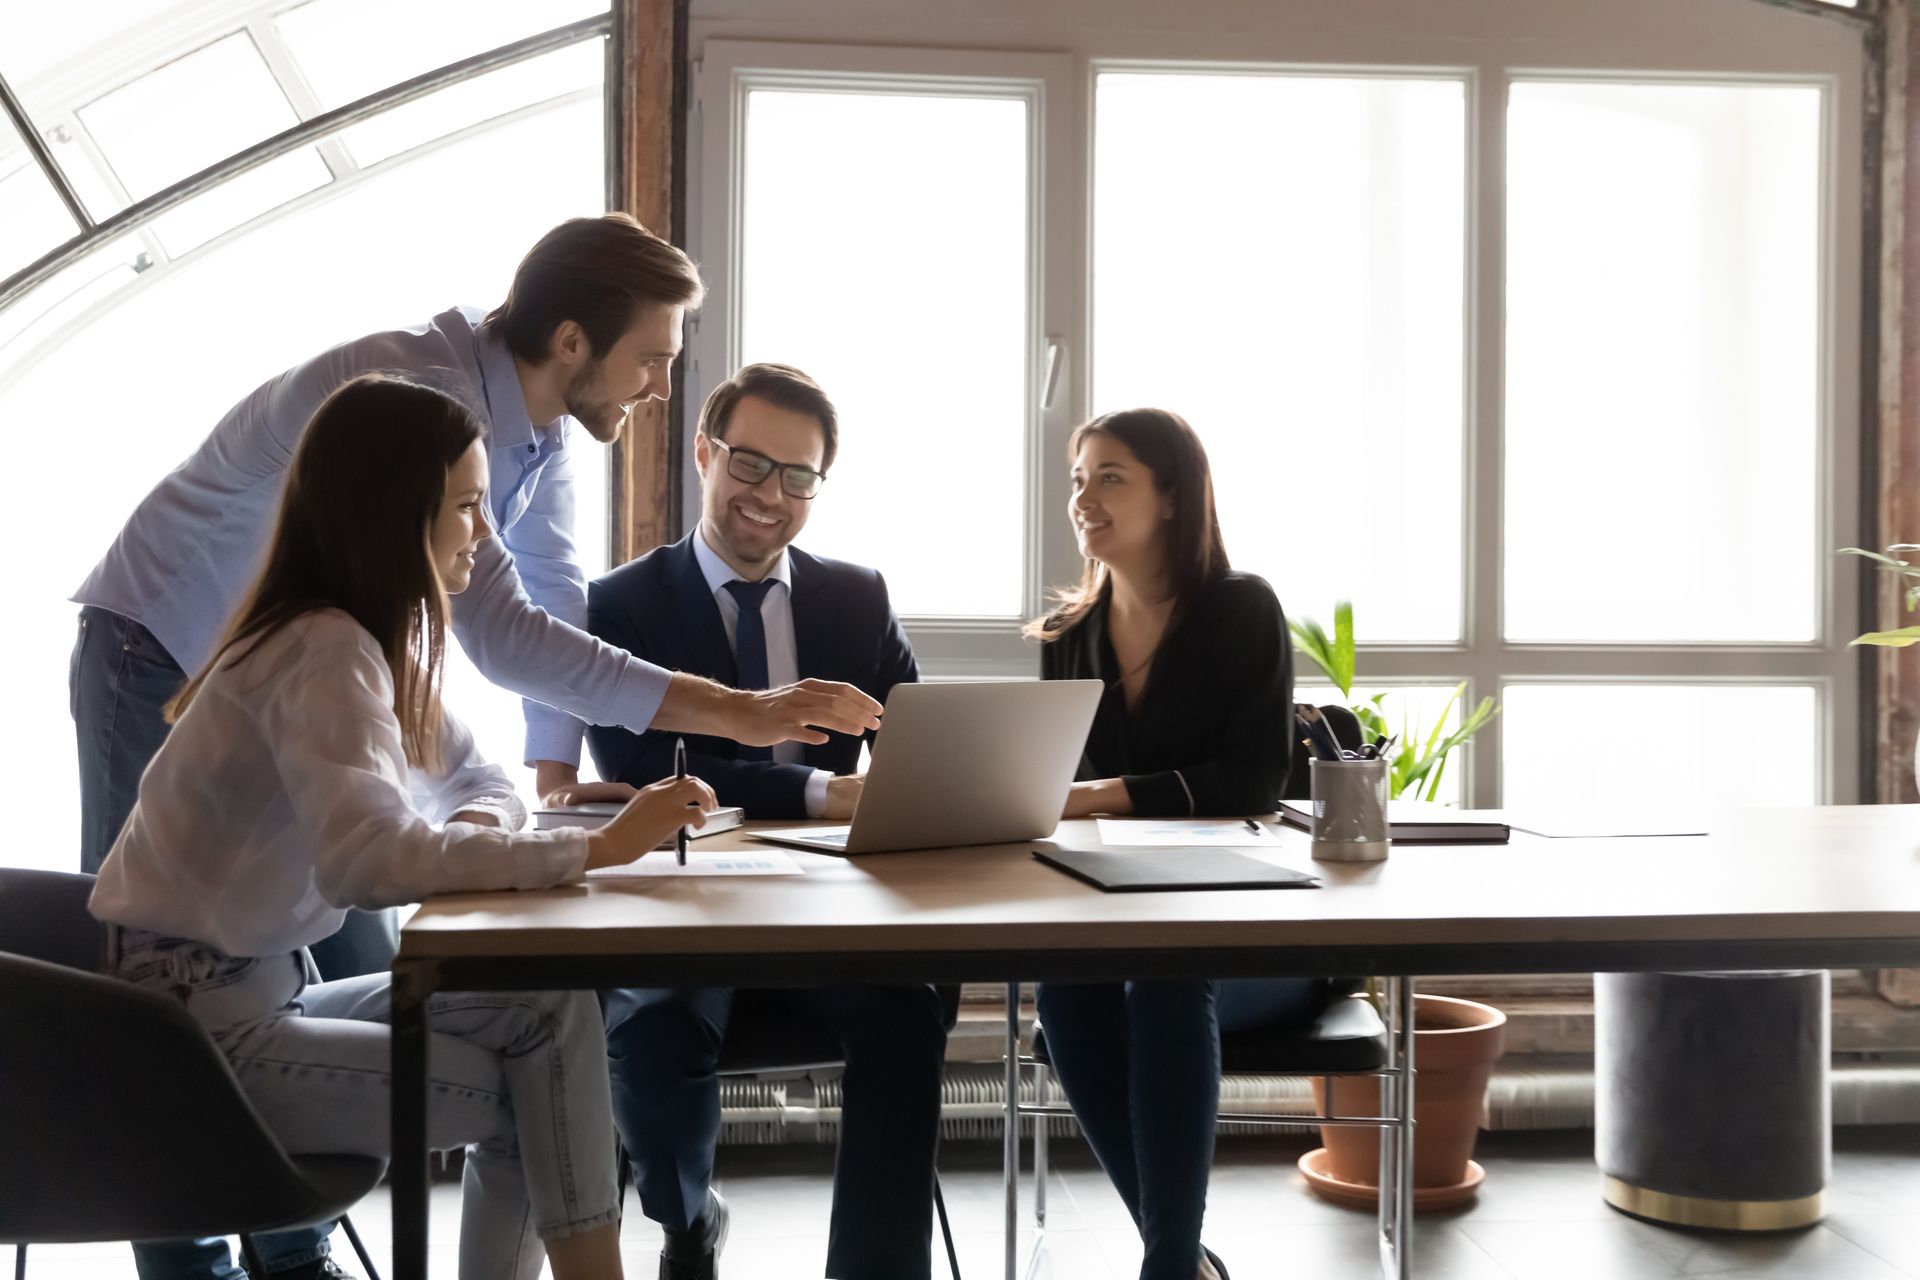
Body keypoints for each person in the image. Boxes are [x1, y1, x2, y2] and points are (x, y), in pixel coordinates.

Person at [69, 215, 878, 1280]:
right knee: (309, 1001)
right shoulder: (401, 407)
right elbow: (466, 681)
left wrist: (548, 786)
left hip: (277, 880)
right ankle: (218, 1263)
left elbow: (530, 624)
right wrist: (601, 831)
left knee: (508, 999)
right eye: (653, 357)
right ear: (577, 339)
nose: (657, 386)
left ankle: (307, 1251)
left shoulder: (508, 470)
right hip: (160, 641)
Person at [89, 374, 717, 1280]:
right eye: (466, 505)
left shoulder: (352, 641)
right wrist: (602, 846)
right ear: (399, 515)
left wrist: (476, 825)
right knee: (531, 1093)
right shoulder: (322, 651)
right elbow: (367, 863)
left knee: (553, 1009)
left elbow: (480, 775)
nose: (484, 532)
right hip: (196, 1045)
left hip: (253, 999)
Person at [582, 364, 947, 1280]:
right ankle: (689, 1223)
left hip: (828, 913)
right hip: (680, 915)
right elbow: (633, 767)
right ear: (704, 455)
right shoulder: (618, 604)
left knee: (913, 1009)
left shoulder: (856, 596)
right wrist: (822, 795)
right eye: (749, 465)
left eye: (799, 477)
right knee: (654, 1037)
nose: (769, 496)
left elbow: (920, 737)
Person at [1026, 408, 1325, 1280]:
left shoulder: (1241, 609)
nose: (1084, 497)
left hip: (1253, 931)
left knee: (1163, 975)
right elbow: (1057, 792)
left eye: (1110, 476)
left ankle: (1166, 1265)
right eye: (1078, 479)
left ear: (1172, 496)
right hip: (1120, 916)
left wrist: (1103, 796)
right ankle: (1181, 1262)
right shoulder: (1069, 635)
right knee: (1065, 992)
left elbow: (1255, 780)